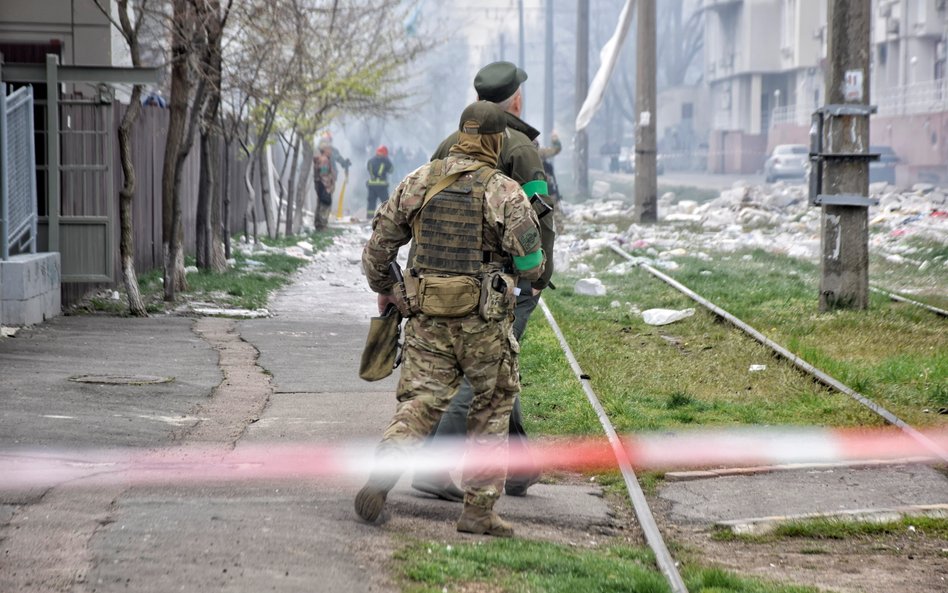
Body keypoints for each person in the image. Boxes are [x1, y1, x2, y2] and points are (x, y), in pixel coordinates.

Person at [356, 101, 545, 537]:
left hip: (427, 320)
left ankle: (381, 478)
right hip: (484, 324)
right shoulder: (504, 191)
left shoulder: (419, 180)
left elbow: (376, 253)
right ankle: (478, 512)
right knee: (492, 407)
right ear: (497, 141)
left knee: (420, 405)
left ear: (461, 135)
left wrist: (391, 291)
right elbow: (532, 264)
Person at [411, 61, 556, 501]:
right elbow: (539, 218)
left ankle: (518, 469)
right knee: (481, 372)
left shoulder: (449, 141)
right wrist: (538, 276)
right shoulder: (520, 148)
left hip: (445, 274)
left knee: (499, 367)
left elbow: (426, 202)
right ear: (514, 98)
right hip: (503, 281)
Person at [537, 133, 564, 235]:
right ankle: (560, 231)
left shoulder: (523, 153)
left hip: (537, 189)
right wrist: (555, 141)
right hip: (545, 188)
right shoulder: (541, 152)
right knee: (555, 212)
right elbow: (557, 149)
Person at [313, 137, 336, 230]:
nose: (331, 151)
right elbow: (324, 174)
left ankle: (318, 224)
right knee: (325, 205)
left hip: (319, 185)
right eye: (329, 149)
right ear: (325, 149)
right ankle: (322, 225)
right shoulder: (324, 160)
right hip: (324, 185)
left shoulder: (320, 159)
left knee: (320, 204)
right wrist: (328, 187)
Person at [365, 145, 394, 219]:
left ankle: (369, 218)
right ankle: (388, 218)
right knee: (386, 203)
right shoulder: (385, 160)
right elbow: (391, 170)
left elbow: (368, 169)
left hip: (371, 185)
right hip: (381, 185)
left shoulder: (370, 160)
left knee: (371, 203)